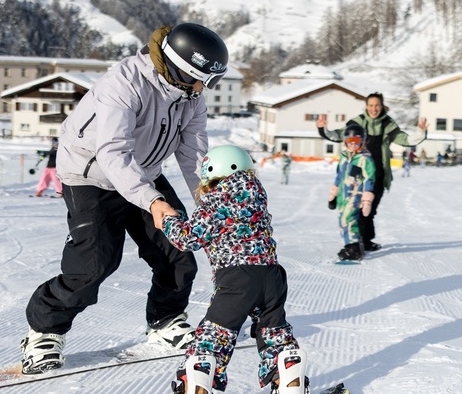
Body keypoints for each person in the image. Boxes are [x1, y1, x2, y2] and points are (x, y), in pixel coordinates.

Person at [19, 23, 229, 375]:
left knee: (177, 252)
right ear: (177, 67)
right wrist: (153, 201)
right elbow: (113, 153)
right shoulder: (124, 83)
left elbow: (194, 155)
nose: (200, 89)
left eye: (207, 82)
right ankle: (44, 333)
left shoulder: (190, 98)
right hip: (92, 176)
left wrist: (211, 201)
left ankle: (165, 323)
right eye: (197, 79)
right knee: (92, 266)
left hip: (143, 172)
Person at [161, 145, 307, 394]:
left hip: (238, 279)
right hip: (272, 277)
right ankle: (289, 383)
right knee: (275, 334)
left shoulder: (218, 198)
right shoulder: (256, 194)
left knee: (211, 341)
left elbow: (187, 238)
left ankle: (195, 387)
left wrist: (168, 219)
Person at [316, 92, 427, 252]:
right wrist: (323, 128)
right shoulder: (357, 123)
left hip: (378, 175)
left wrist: (420, 133)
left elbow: (405, 140)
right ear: (366, 106)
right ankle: (355, 242)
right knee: (353, 210)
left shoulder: (388, 125)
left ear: (382, 107)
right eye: (371, 105)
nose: (374, 109)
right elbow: (339, 136)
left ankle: (364, 240)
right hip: (356, 175)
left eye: (377, 105)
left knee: (369, 209)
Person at [329, 123, 376, 261]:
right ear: (345, 141)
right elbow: (339, 176)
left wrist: (367, 200)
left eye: (357, 141)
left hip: (356, 195)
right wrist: (333, 194)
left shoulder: (365, 159)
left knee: (349, 220)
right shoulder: (344, 156)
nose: (353, 145)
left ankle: (355, 248)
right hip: (343, 196)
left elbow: (369, 178)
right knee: (342, 221)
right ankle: (349, 245)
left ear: (362, 141)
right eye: (350, 141)